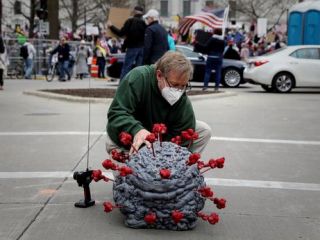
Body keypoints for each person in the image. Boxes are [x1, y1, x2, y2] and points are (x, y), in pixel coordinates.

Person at [106, 51, 211, 155]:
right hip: (127, 141)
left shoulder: (182, 99)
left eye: (183, 86)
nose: (178, 91)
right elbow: (116, 113)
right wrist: (137, 130)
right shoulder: (139, 78)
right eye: (174, 85)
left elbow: (184, 128)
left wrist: (167, 155)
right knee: (131, 171)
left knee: (203, 130)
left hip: (159, 141)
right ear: (159, 75)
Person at [107, 6, 146, 80]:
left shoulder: (130, 21)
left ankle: (122, 85)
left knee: (127, 67)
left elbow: (121, 33)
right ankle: (138, 84)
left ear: (134, 12)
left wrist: (111, 26)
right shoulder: (144, 22)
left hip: (132, 47)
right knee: (139, 68)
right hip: (142, 48)